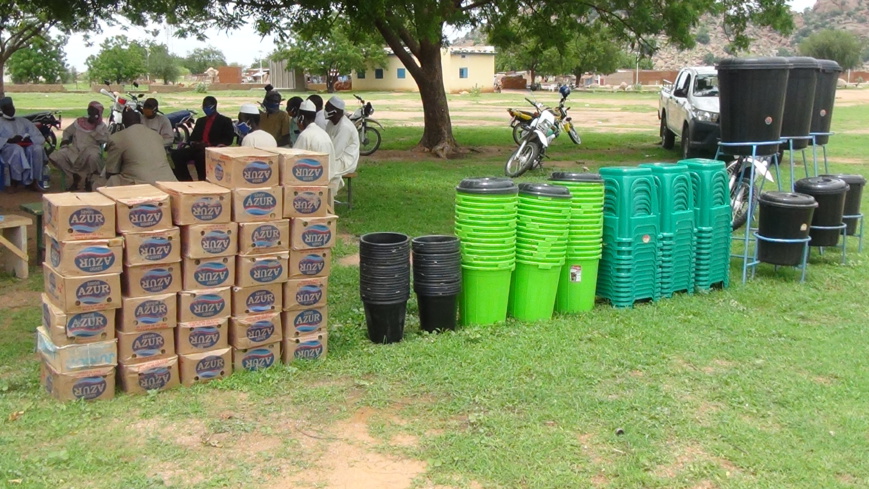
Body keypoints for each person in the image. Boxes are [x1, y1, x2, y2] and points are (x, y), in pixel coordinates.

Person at [104, 110, 177, 186]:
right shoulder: (156, 135)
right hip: (169, 182)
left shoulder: (117, 138)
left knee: (108, 181)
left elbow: (111, 171)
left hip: (143, 184)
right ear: (141, 121)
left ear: (123, 123)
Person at [171, 96, 235, 181]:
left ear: (214, 106)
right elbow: (192, 138)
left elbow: (228, 139)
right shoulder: (201, 121)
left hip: (212, 149)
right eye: (204, 107)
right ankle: (186, 180)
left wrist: (210, 145)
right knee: (176, 155)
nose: (205, 109)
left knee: (200, 157)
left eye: (208, 107)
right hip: (198, 147)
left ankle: (203, 180)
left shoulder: (225, 121)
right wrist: (194, 143)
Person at [49, 101, 109, 191]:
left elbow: (105, 139)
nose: (92, 113)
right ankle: (74, 175)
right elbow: (67, 132)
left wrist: (96, 127)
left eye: (95, 111)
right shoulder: (79, 122)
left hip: (90, 149)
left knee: (93, 156)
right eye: (91, 110)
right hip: (75, 150)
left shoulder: (101, 126)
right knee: (55, 156)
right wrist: (65, 140)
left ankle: (89, 180)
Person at [0, 96, 47, 192]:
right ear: (2, 110)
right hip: (7, 148)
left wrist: (30, 139)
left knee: (37, 149)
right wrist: (8, 140)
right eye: (8, 108)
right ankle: (14, 182)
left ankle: (34, 182)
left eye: (12, 107)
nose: (11, 110)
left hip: (26, 146)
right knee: (16, 149)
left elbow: (39, 137)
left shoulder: (23, 121)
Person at [324, 95, 359, 194]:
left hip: (346, 161)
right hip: (335, 158)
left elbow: (336, 153)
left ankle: (327, 199)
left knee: (323, 171)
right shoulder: (331, 123)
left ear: (335, 111)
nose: (325, 110)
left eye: (327, 108)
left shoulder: (345, 127)